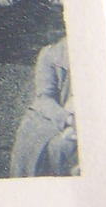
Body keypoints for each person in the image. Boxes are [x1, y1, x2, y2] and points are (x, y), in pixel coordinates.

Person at [10, 33, 79, 177]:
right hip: (52, 118)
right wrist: (68, 119)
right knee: (59, 147)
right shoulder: (51, 55)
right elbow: (44, 98)